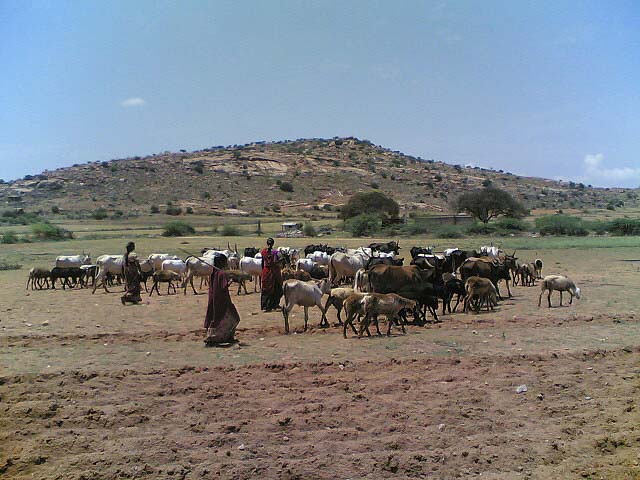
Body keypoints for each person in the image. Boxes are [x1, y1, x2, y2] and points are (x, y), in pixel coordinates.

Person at [204, 255, 240, 346]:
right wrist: (231, 280)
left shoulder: (214, 272)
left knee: (215, 317)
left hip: (214, 298)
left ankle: (222, 337)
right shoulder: (221, 273)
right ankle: (217, 338)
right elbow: (223, 286)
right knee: (234, 318)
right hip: (222, 300)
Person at [260, 237, 283, 312]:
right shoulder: (275, 252)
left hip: (265, 271)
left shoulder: (263, 252)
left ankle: (266, 306)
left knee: (266, 289)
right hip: (274, 272)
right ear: (273, 244)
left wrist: (263, 271)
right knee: (278, 288)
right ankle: (274, 304)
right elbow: (275, 262)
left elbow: (262, 263)